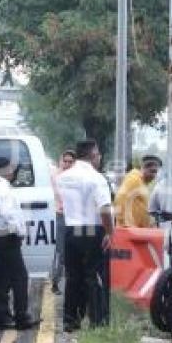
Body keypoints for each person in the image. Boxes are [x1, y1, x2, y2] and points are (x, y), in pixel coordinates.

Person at [56, 139, 114, 332]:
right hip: (92, 229)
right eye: (98, 155)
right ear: (92, 155)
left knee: (73, 277)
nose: (99, 158)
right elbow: (105, 209)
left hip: (71, 229)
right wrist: (110, 233)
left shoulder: (63, 177)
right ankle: (98, 321)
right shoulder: (96, 178)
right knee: (95, 277)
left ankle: (71, 320)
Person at [0, 164, 38, 330]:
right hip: (7, 236)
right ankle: (22, 317)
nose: (14, 174)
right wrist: (20, 231)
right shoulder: (3, 190)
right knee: (19, 277)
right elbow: (9, 213)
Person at [50, 149, 76, 295]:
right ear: (60, 161)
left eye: (70, 162)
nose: (67, 164)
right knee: (60, 251)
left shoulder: (75, 177)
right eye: (65, 161)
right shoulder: (56, 176)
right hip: (61, 216)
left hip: (74, 217)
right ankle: (55, 281)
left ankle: (70, 281)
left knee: (72, 250)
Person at [114, 155, 162, 228]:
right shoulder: (134, 180)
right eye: (152, 171)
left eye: (156, 172)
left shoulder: (142, 183)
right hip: (130, 231)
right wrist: (126, 224)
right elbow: (119, 200)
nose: (154, 175)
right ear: (144, 168)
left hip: (137, 231)